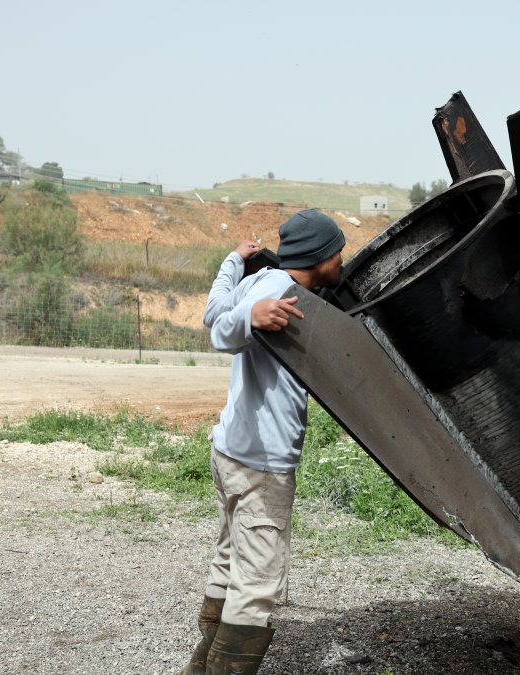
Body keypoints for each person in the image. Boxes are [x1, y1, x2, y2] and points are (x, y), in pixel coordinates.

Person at [182, 208, 345, 675]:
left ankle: (201, 664)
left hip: (231, 451)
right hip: (262, 461)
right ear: (319, 257)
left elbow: (214, 309)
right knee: (257, 582)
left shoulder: (263, 278)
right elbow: (220, 330)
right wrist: (250, 318)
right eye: (338, 251)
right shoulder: (278, 292)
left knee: (231, 556)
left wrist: (232, 262)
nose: (342, 259)